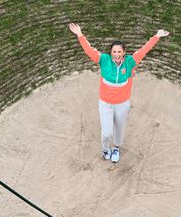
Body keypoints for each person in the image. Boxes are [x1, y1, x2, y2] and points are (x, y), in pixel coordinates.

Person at [69, 23, 169, 163]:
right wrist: (80, 35)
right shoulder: (104, 60)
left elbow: (144, 50)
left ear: (124, 52)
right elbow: (89, 50)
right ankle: (105, 149)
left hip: (122, 104)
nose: (116, 54)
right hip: (105, 103)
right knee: (107, 133)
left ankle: (116, 148)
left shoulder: (130, 62)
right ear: (111, 52)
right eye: (114, 52)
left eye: (119, 52)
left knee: (119, 128)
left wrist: (156, 36)